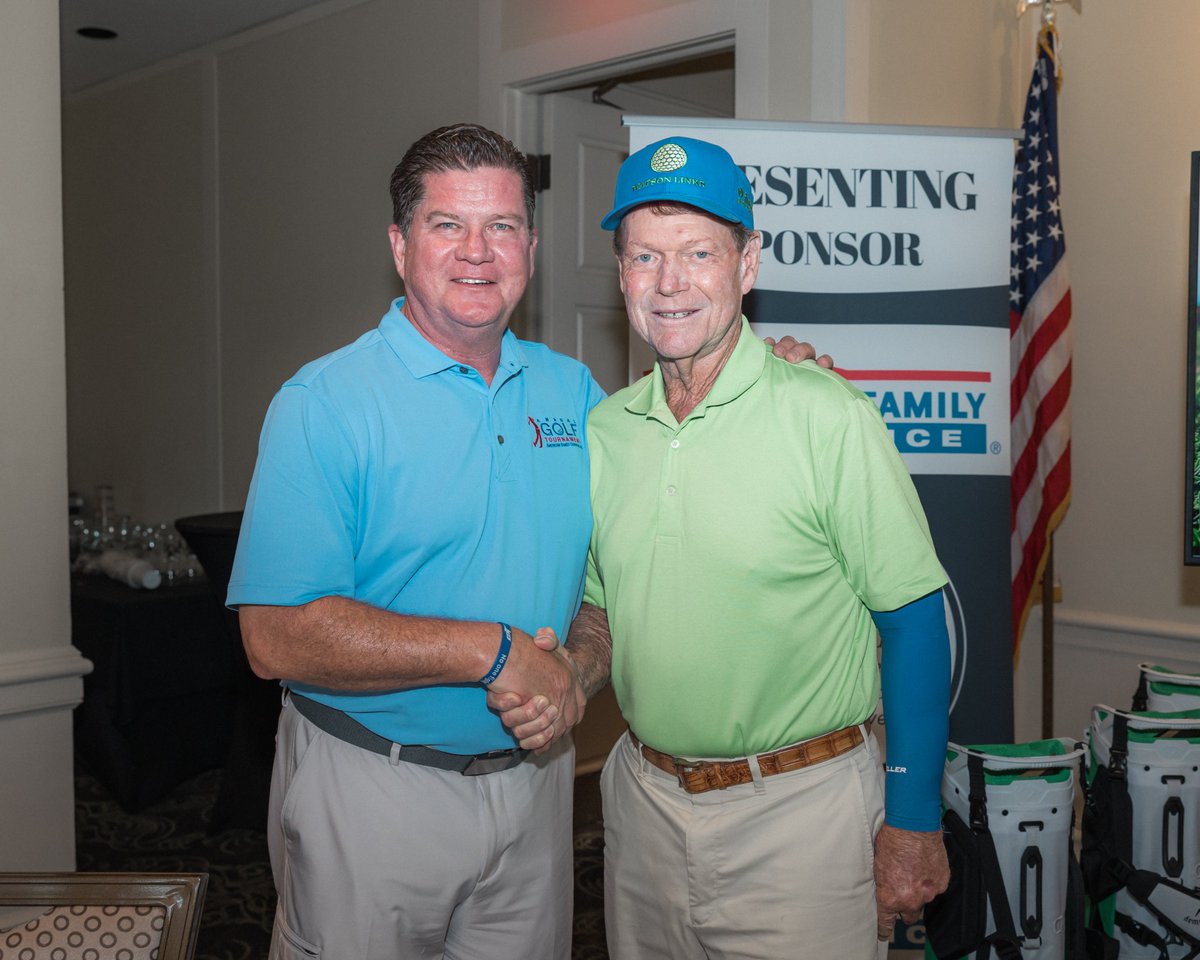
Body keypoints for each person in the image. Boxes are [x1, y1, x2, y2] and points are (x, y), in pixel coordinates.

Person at [227, 122, 822, 960]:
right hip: (372, 787)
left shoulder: (575, 395)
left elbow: (617, 573)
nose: (478, 251)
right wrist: (493, 651)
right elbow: (273, 635)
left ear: (531, 250)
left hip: (537, 788)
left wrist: (775, 377)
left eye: (502, 226)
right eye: (447, 225)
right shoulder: (324, 404)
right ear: (400, 246)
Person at [500, 136, 952, 959]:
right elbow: (603, 606)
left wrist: (914, 818)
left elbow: (915, 619)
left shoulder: (827, 417)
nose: (669, 282)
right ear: (621, 274)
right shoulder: (603, 434)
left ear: (747, 266)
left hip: (800, 819)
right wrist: (569, 676)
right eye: (644, 256)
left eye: (697, 253)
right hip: (640, 808)